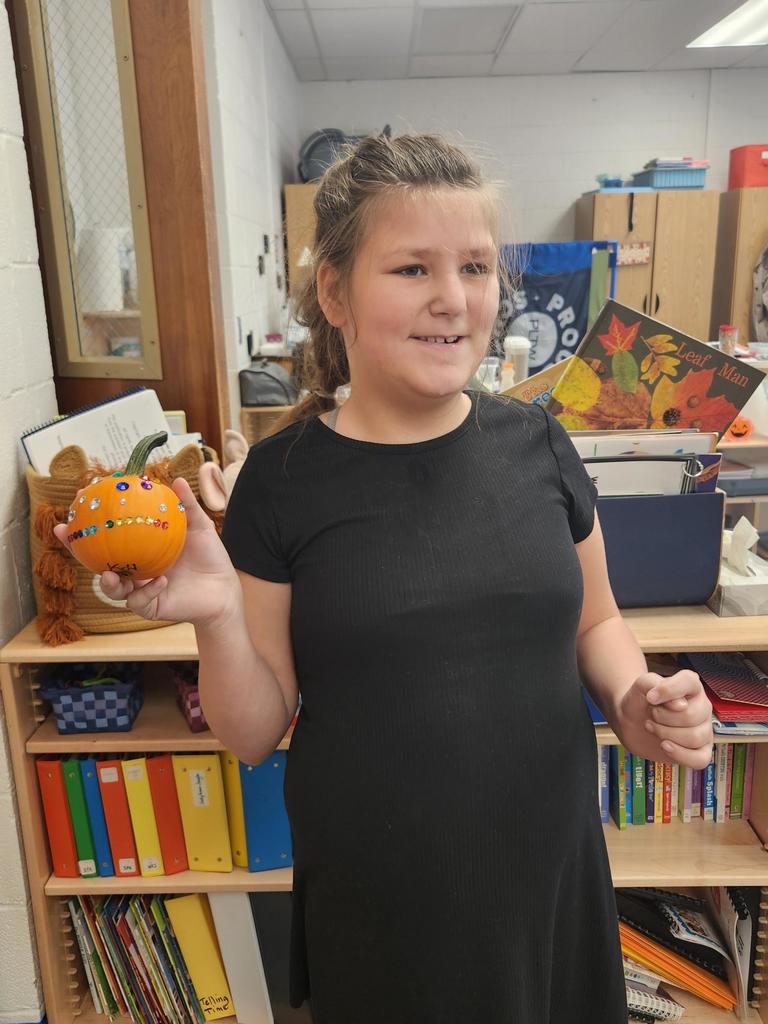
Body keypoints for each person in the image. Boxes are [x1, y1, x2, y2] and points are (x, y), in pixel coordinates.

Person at [55, 133, 714, 1024]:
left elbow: (596, 624)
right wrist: (213, 614)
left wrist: (633, 694)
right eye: (411, 269)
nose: (453, 299)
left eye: (476, 267)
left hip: (547, 879)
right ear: (335, 292)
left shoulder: (539, 445)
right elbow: (253, 734)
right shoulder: (283, 484)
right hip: (386, 907)